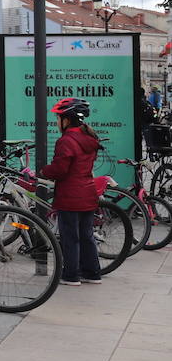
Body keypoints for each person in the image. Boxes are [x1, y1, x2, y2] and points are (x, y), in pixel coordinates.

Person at [43, 98, 103, 286]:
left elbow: (61, 169)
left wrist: (44, 171)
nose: (57, 122)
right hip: (87, 193)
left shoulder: (67, 140)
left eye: (58, 118)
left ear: (67, 120)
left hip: (70, 195)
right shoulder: (89, 137)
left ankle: (71, 275)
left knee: (70, 237)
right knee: (86, 235)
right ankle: (92, 273)